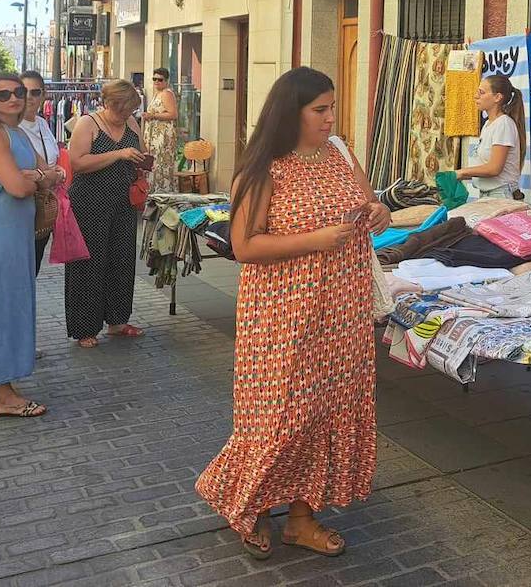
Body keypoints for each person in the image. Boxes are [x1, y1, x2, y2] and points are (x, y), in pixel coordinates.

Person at [196, 68, 389, 559]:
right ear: (292, 113)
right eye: (319, 110)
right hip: (283, 314)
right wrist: (316, 241)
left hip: (342, 312)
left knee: (324, 414)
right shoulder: (264, 169)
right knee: (278, 415)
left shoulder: (341, 155)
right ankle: (250, 505)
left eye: (331, 107)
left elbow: (367, 202)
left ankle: (302, 519)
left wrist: (377, 212)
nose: (330, 118)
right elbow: (244, 245)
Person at [0, 73, 64, 417]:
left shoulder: (17, 132)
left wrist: (36, 176)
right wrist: (37, 177)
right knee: (0, 305)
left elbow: (50, 171)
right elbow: (19, 187)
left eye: (19, 92)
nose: (14, 99)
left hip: (15, 229)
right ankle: (4, 394)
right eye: (4, 94)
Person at [65, 79, 147, 348]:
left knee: (121, 260)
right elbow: (77, 162)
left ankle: (117, 320)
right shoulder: (89, 123)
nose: (127, 115)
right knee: (89, 263)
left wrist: (142, 160)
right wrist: (118, 154)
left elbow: (137, 153)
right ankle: (85, 327)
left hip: (122, 202)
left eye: (131, 110)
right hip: (90, 201)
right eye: (123, 110)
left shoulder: (131, 124)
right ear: (110, 103)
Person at [454, 73, 527, 199]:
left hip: (501, 195)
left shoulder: (503, 124)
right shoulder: (488, 124)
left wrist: (461, 172)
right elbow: (485, 167)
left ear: (497, 97)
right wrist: (454, 175)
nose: (476, 96)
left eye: (481, 92)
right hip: (488, 195)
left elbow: (494, 169)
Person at [20, 71, 62, 275]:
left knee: (32, 267)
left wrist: (57, 171)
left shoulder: (42, 123)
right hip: (22, 206)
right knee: (21, 270)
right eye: (23, 91)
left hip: (45, 206)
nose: (29, 97)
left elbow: (51, 159)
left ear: (43, 95)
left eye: (35, 92)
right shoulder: (11, 128)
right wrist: (46, 175)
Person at [140, 68, 180, 192]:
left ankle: (163, 191)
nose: (157, 82)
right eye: (154, 79)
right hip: (154, 134)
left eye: (160, 80)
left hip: (163, 136)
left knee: (161, 163)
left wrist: (153, 116)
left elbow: (173, 114)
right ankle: (153, 190)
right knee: (154, 163)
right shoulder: (157, 93)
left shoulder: (167, 93)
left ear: (166, 81)